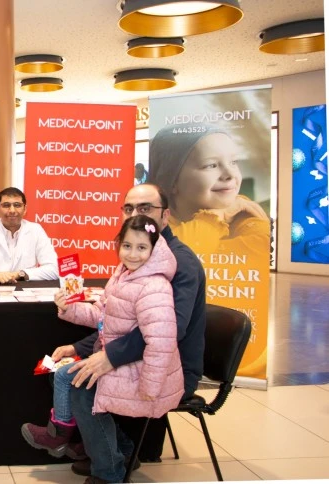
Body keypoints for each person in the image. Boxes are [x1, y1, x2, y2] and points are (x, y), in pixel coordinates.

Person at [21, 215, 183, 484]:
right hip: (125, 363)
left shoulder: (155, 286)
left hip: (144, 372)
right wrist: (70, 308)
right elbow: (101, 315)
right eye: (127, 246)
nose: (132, 254)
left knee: (80, 388)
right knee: (63, 373)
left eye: (142, 247)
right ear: (118, 245)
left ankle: (108, 473)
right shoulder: (123, 274)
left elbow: (161, 342)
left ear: (154, 249)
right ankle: (119, 451)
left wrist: (150, 387)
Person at [67, 183, 206, 477]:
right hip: (144, 358)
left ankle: (110, 467)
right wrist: (79, 347)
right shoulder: (136, 260)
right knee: (70, 371)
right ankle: (118, 451)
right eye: (128, 208)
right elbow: (114, 320)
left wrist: (110, 357)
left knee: (81, 385)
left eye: (145, 208)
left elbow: (169, 332)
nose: (135, 215)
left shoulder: (178, 263)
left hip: (171, 368)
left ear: (165, 216)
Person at [147, 124, 270, 256]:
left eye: (233, 162)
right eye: (211, 165)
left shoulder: (244, 212)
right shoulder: (149, 223)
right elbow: (167, 255)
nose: (230, 174)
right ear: (171, 181)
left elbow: (259, 249)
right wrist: (216, 216)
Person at [0, 187, 58, 283]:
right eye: (6, 205)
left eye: (17, 205)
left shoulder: (35, 230)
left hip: (26, 290)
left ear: (25, 209)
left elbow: (54, 269)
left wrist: (20, 274)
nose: (12, 210)